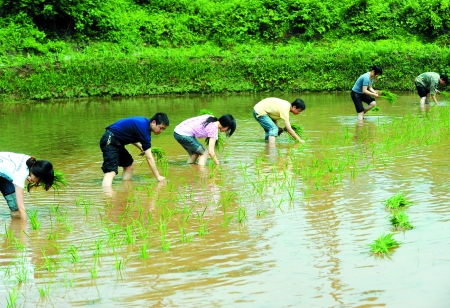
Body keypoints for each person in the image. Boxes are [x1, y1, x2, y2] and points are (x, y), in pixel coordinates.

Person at [100, 113, 169, 187]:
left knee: (129, 165)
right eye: (160, 128)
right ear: (153, 122)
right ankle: (107, 196)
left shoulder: (144, 123)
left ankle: (127, 191)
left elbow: (129, 134)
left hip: (117, 142)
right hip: (110, 140)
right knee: (111, 172)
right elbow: (149, 158)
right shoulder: (144, 130)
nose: (161, 131)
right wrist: (158, 176)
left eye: (163, 129)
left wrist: (140, 147)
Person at [0, 152, 54, 220]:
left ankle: (15, 226)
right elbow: (21, 206)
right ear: (38, 177)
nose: (38, 183)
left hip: (2, 175)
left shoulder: (30, 161)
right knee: (19, 207)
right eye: (41, 181)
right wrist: (25, 225)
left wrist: (28, 176)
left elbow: (15, 168)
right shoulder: (21, 175)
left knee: (14, 206)